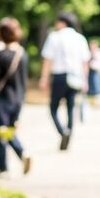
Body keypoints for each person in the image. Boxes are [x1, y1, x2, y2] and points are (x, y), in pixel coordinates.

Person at [0, 17, 32, 177]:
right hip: (18, 98)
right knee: (10, 129)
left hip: (3, 98)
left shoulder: (0, 55)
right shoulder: (22, 54)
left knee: (1, 132)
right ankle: (22, 153)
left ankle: (3, 167)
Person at [39, 11, 90, 150]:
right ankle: (69, 133)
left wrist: (44, 78)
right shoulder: (80, 38)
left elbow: (48, 59)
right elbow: (85, 62)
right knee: (70, 108)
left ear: (62, 22)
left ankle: (63, 131)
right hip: (76, 76)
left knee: (53, 107)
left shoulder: (54, 37)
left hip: (59, 76)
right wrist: (85, 81)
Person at [87, 40, 100, 104]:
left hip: (97, 70)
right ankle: (93, 100)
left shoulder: (99, 52)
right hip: (90, 71)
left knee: (97, 85)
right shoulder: (89, 52)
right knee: (92, 86)